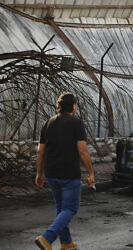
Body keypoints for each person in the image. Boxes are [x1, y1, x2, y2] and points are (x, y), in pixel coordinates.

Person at [35, 92, 95, 250]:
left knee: (61, 209)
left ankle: (66, 242)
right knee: (71, 208)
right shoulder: (76, 123)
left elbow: (41, 151)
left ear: (59, 106)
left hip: (51, 173)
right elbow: (82, 150)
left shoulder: (47, 123)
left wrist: (39, 173)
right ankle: (47, 238)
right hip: (69, 173)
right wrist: (91, 173)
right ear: (73, 106)